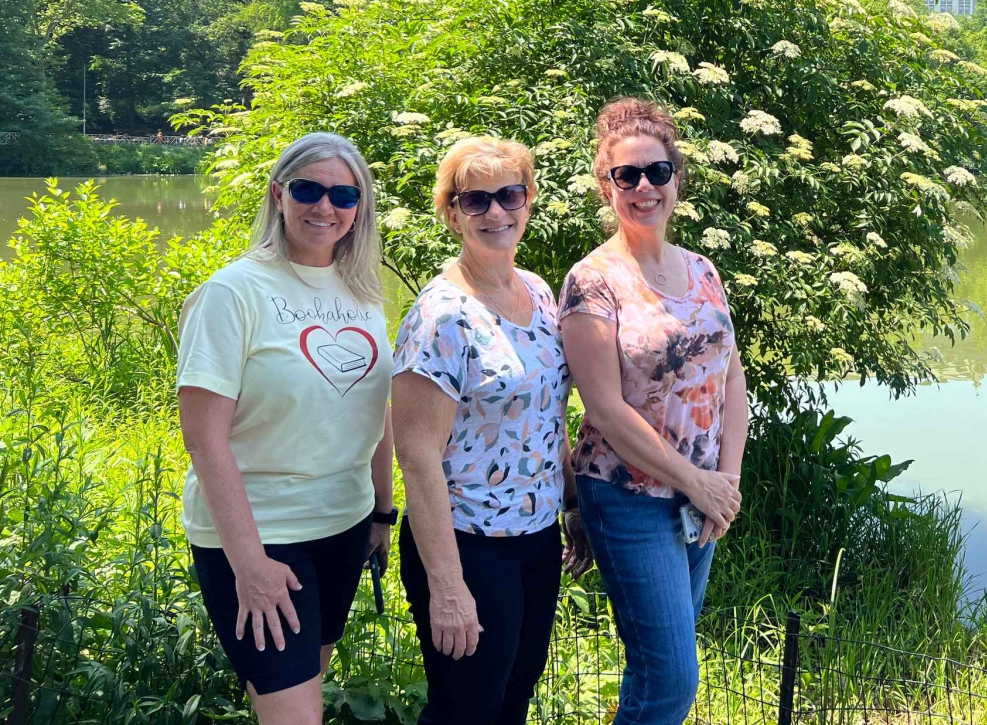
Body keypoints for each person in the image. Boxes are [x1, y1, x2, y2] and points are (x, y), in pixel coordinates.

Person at [177, 132, 395, 723]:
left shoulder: (362, 292)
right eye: (307, 190)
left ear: (359, 208)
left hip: (344, 525)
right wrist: (249, 564)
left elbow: (375, 408)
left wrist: (382, 512)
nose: (325, 207)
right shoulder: (231, 293)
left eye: (344, 195)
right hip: (261, 535)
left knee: (307, 692)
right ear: (278, 194)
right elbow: (203, 438)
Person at [558, 98, 750, 725]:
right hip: (628, 498)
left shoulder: (703, 270)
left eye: (657, 172)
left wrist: (725, 481)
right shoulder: (592, 281)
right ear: (606, 185)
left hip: (701, 499)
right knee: (671, 679)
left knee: (659, 669)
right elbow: (606, 410)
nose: (644, 187)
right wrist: (698, 482)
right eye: (628, 175)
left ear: (677, 179)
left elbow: (731, 378)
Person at [392, 137, 592, 724]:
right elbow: (417, 455)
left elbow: (546, 415)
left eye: (509, 194)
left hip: (535, 538)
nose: (496, 211)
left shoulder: (537, 291)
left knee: (513, 700)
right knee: (465, 710)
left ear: (529, 200)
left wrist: (572, 505)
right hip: (467, 544)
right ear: (452, 213)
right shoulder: (441, 316)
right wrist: (448, 586)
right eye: (476, 200)